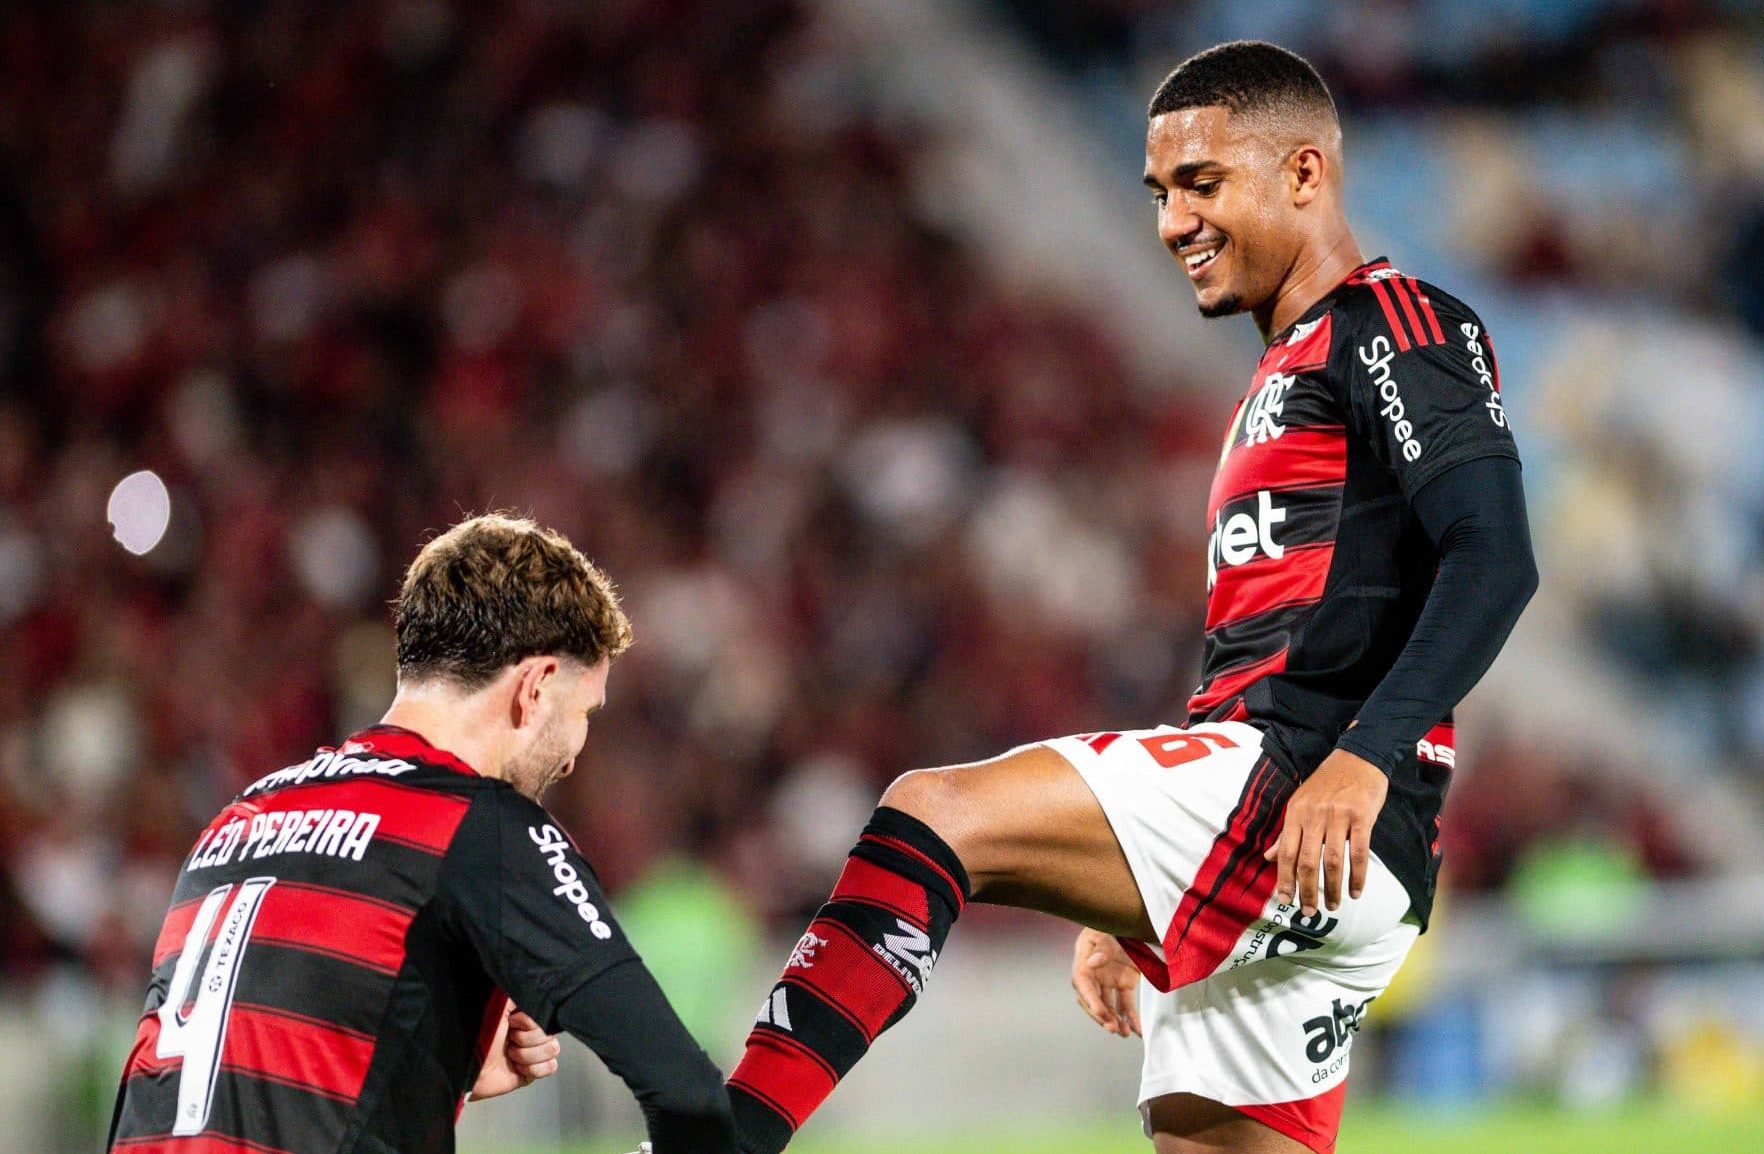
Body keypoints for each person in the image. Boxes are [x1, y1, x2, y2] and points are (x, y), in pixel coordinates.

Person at [724, 40, 1538, 1154]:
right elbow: (1278, 647)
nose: (1171, 224)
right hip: (1307, 833)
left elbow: (1492, 555)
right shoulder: (1283, 369)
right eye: (1159, 193)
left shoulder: (1392, 323)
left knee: (936, 812)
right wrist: (1121, 898)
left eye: (1201, 184)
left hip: (1309, 793)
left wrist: (1364, 755)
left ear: (1304, 174)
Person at [107, 515, 735, 1154]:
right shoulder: (475, 825)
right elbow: (691, 1099)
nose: (574, 755)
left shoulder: (240, 819)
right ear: (537, 685)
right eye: (584, 713)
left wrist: (440, 1062)